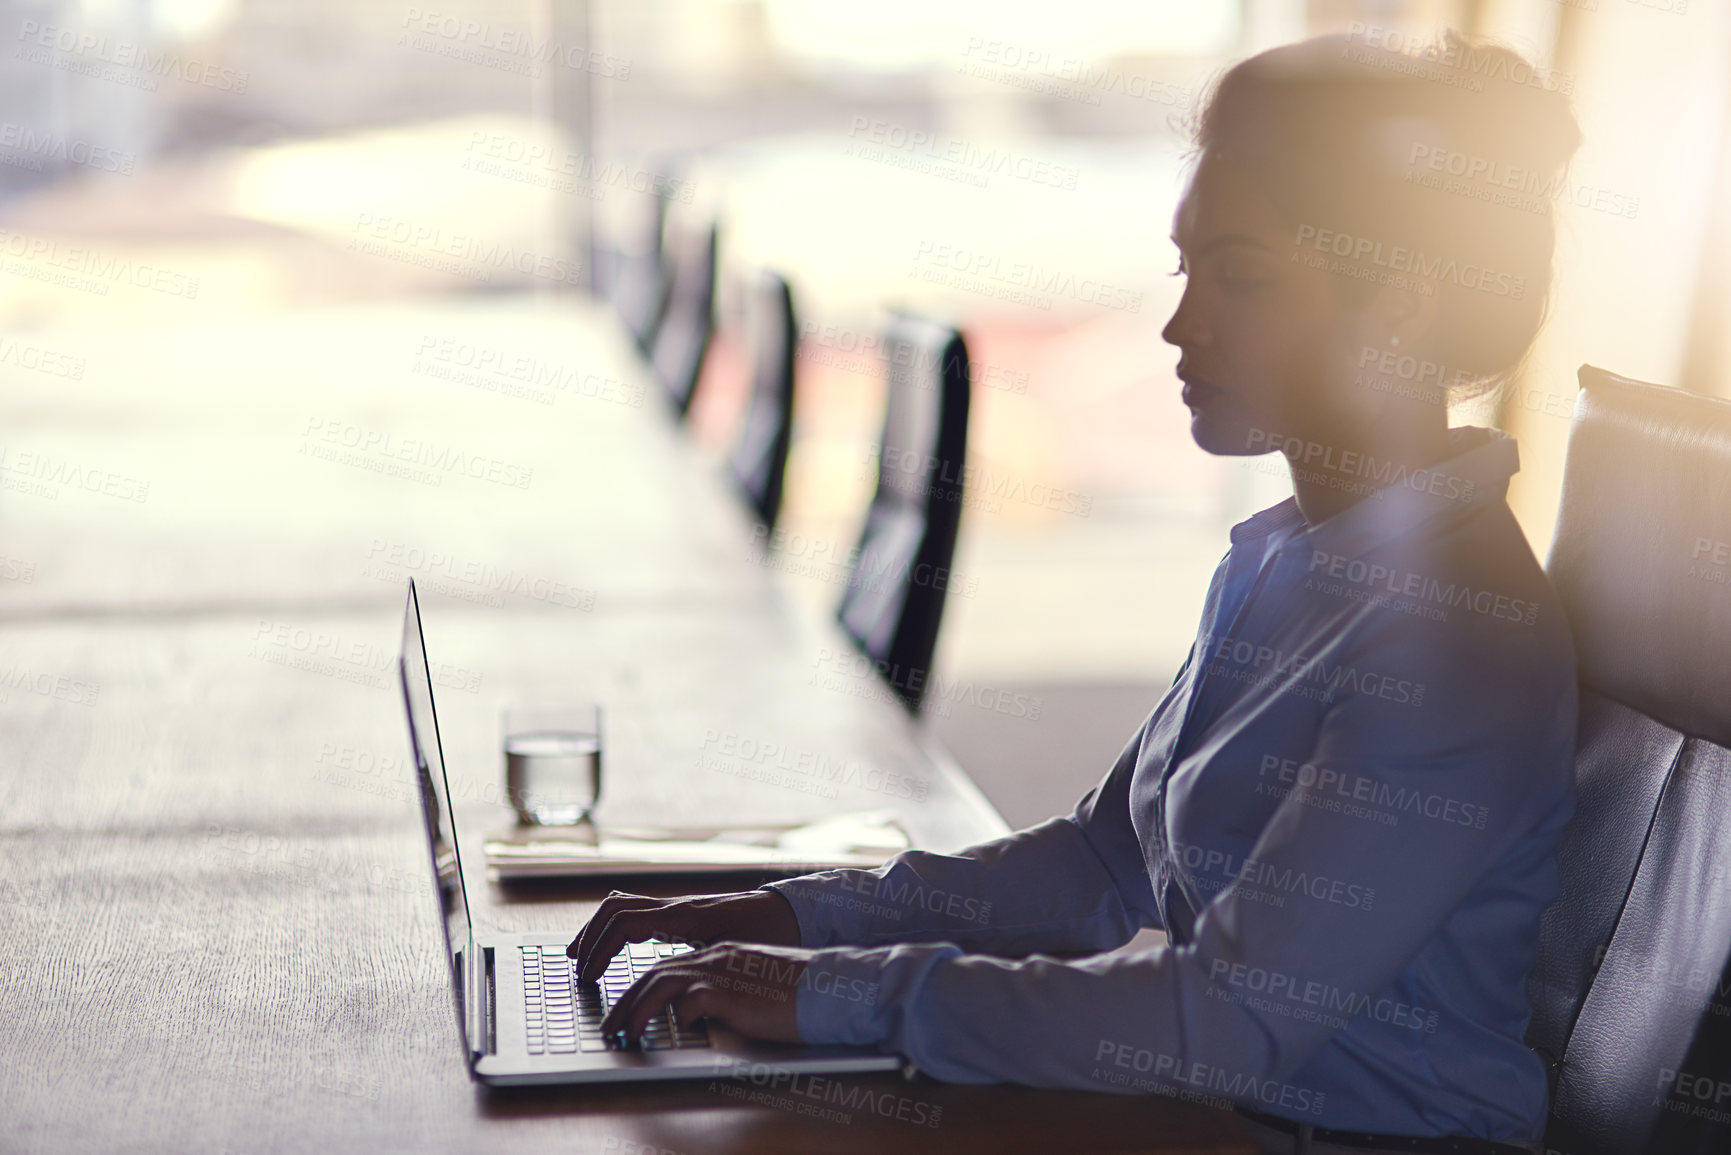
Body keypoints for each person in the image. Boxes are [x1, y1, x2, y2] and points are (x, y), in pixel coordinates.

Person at [568, 29, 1582, 1155]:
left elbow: (1225, 1020)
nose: (1182, 324)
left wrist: (835, 993)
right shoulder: (1295, 560)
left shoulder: (1445, 633)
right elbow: (1106, 865)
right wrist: (798, 917)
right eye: (1187, 269)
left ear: (1399, 305)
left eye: (1240, 277)